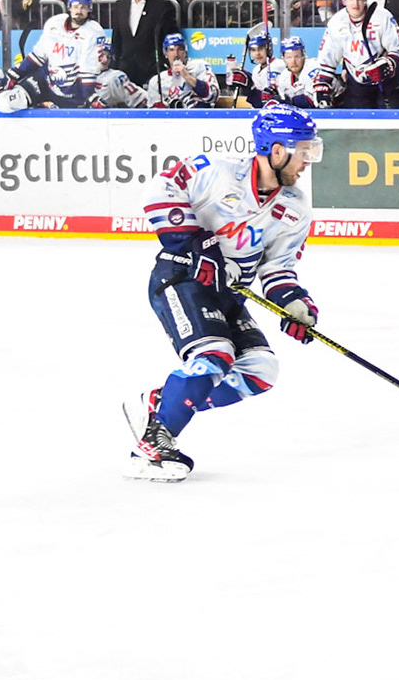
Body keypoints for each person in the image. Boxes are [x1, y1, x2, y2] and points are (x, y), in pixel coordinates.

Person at [126, 104, 322, 481]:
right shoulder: (216, 171)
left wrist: (295, 304)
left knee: (260, 370)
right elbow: (157, 190)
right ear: (277, 151)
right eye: (303, 151)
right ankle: (153, 444)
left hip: (229, 293)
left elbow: (277, 267)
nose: (307, 161)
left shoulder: (295, 207)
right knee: (215, 354)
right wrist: (193, 242)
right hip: (181, 278)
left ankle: (162, 403)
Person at [315, 0, 399, 108]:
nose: (355, 4)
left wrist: (386, 66)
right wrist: (322, 85)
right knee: (359, 126)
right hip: (357, 88)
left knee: (393, 126)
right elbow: (327, 59)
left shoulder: (382, 16)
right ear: (344, 0)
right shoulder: (336, 22)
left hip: (388, 86)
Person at [12, 0, 108, 107]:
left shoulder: (94, 31)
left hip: (72, 91)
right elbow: (39, 55)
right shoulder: (55, 23)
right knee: (8, 102)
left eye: (83, 7)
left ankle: (44, 105)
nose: (79, 11)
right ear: (69, 7)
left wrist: (89, 95)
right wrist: (17, 71)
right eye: (76, 6)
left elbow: (88, 68)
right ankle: (42, 104)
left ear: (89, 9)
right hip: (45, 81)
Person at [145, 32, 219, 108]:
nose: (176, 54)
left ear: (185, 52)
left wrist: (187, 76)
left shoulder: (199, 66)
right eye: (171, 50)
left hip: (199, 117)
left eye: (180, 49)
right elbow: (154, 113)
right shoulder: (157, 81)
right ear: (165, 54)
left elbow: (213, 95)